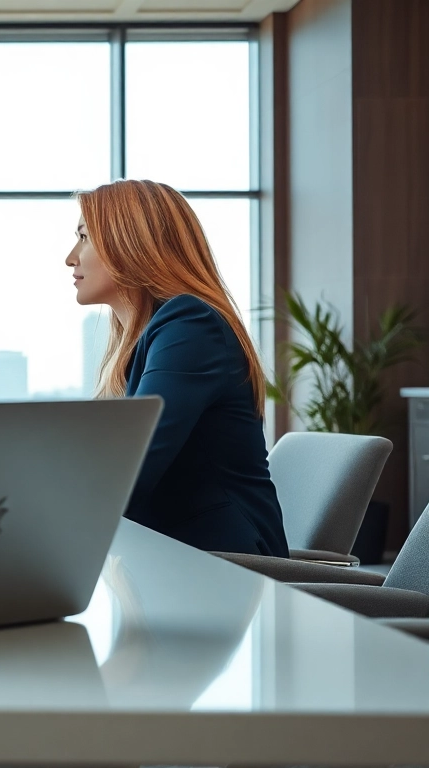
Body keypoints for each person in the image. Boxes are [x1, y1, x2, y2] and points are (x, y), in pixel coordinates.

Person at [65, 179, 288, 557]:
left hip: (226, 565)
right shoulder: (152, 338)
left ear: (130, 244)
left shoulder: (190, 325)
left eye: (84, 237)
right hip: (177, 557)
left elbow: (132, 467)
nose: (71, 258)